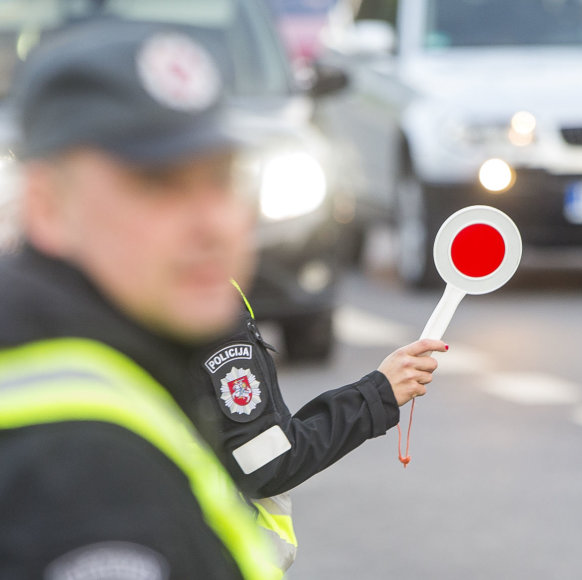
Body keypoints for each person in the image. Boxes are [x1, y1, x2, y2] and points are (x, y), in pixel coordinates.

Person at [0, 18, 446, 579]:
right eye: (156, 185)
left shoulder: (112, 354)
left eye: (222, 178)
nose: (212, 222)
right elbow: (266, 462)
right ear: (47, 208)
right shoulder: (82, 466)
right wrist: (375, 396)